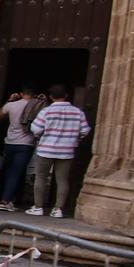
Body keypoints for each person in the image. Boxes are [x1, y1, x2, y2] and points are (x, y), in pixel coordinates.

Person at [28, 84, 91, 218]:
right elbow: (85, 130)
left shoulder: (46, 111)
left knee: (41, 177)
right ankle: (58, 209)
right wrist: (75, 139)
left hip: (46, 149)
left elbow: (36, 128)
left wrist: (42, 136)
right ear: (66, 95)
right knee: (62, 180)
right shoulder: (77, 112)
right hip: (66, 151)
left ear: (51, 97)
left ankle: (38, 207)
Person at [0, 87, 41, 209]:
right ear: (34, 95)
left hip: (10, 143)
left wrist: (9, 101)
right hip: (26, 143)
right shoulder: (37, 106)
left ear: (21, 94)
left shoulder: (12, 105)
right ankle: (6, 201)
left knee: (9, 171)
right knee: (17, 172)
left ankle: (7, 198)